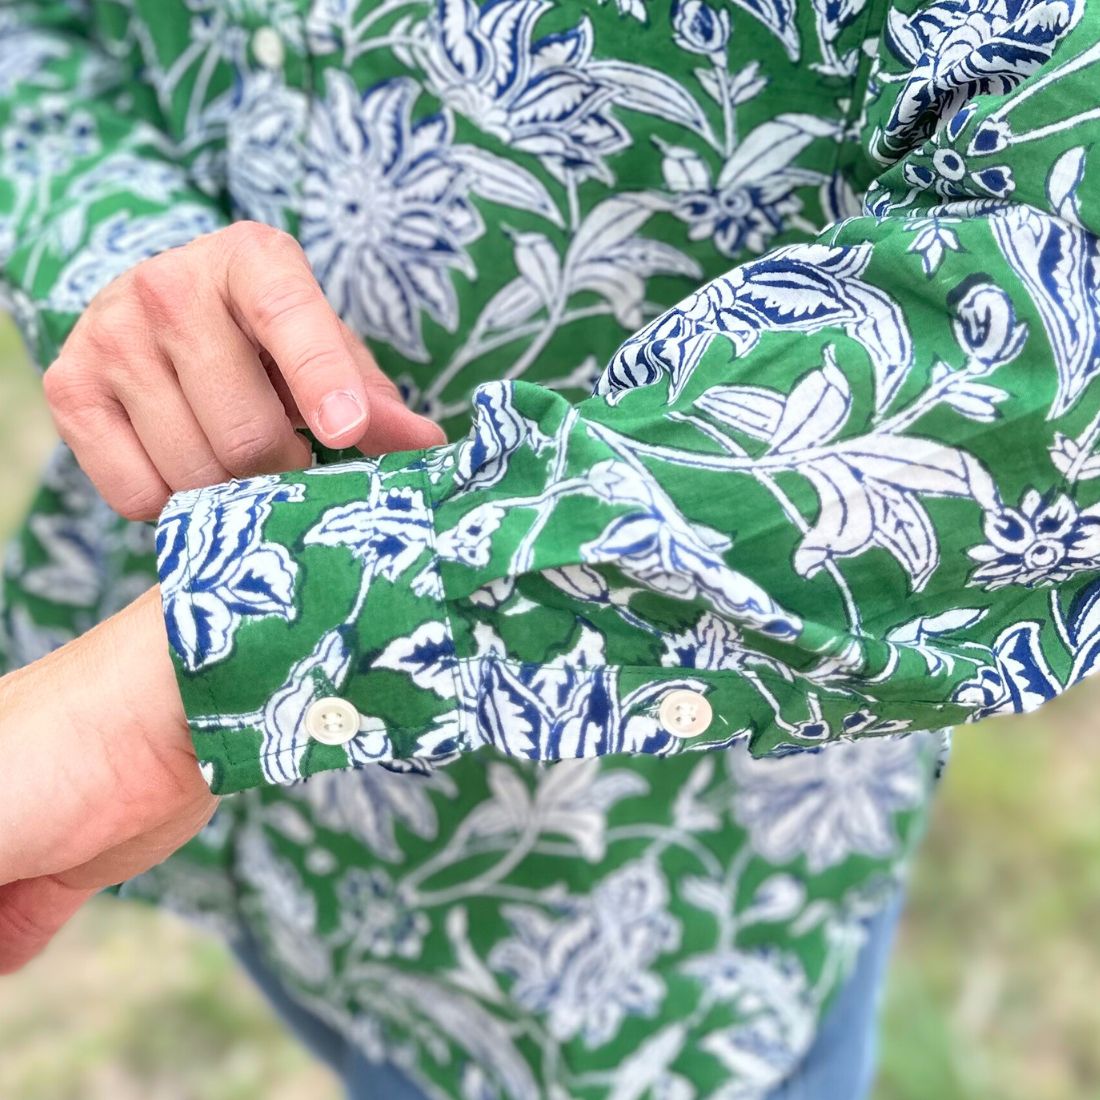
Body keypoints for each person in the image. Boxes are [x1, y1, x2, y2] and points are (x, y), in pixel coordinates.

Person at [0, 0, 1096, 1097]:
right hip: (282, 849)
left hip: (641, 922)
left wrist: (205, 663)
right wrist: (128, 263)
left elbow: (1049, 340)